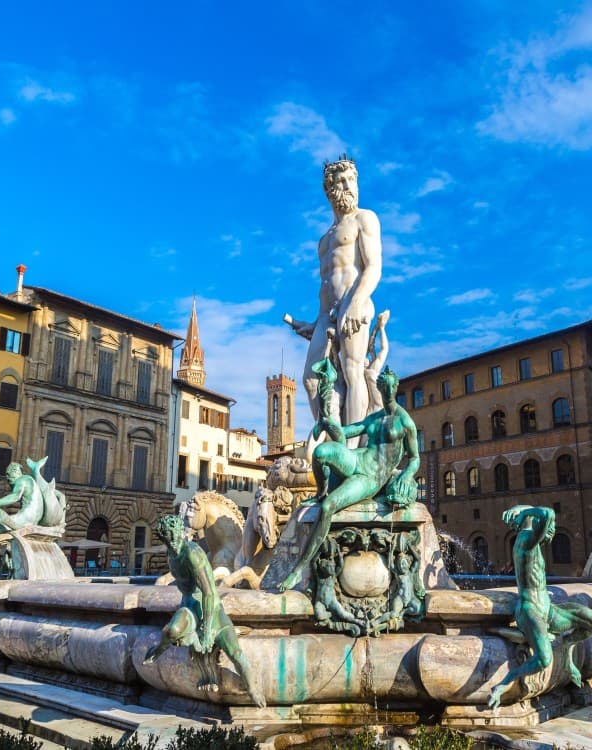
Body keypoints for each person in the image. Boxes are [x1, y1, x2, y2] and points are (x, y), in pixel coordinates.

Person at [278, 367, 419, 592]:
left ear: (396, 387)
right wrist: (326, 419)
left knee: (328, 507)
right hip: (356, 459)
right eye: (383, 386)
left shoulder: (405, 422)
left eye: (391, 386)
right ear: (379, 388)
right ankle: (320, 492)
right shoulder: (375, 418)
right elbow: (345, 432)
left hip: (370, 476)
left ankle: (298, 569)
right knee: (321, 452)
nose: (387, 390)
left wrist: (406, 474)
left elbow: (415, 458)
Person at [285, 156, 382, 440]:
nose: (349, 186)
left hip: (355, 302)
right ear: (330, 190)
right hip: (327, 314)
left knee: (353, 372)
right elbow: (327, 286)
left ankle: (350, 447)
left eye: (352, 180)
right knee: (311, 379)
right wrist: (314, 323)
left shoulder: (365, 218)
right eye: (342, 181)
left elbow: (373, 267)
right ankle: (331, 436)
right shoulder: (324, 239)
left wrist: (356, 303)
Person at [486, 506, 592, 710]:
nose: (552, 529)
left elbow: (547, 517)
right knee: (544, 659)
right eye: (550, 527)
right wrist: (526, 511)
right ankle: (504, 683)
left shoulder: (532, 541)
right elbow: (548, 514)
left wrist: (526, 511)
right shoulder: (525, 540)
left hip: (547, 608)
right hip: (530, 610)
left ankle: (566, 646)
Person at [143, 515, 265, 708]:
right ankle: (161, 648)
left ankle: (253, 689)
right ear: (162, 538)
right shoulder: (171, 556)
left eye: (173, 534)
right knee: (170, 631)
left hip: (212, 611)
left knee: (235, 653)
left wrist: (207, 631)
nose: (171, 539)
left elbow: (208, 592)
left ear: (180, 532)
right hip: (189, 607)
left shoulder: (192, 553)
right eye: (166, 536)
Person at [0, 462, 44, 581]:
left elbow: (15, 496)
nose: (7, 478)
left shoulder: (22, 479)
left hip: (25, 519)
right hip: (33, 519)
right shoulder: (31, 481)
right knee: (5, 535)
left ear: (17, 472)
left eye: (9, 474)